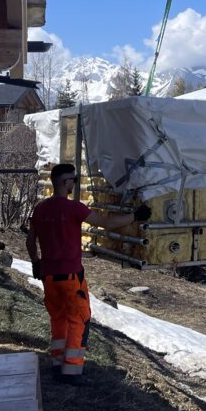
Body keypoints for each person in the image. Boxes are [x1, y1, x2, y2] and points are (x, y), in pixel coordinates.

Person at [26, 163, 151, 386]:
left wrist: (36, 262)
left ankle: (57, 363)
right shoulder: (74, 208)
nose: (74, 183)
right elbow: (107, 223)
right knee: (78, 320)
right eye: (73, 180)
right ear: (65, 183)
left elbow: (30, 241)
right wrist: (135, 216)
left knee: (58, 318)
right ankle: (71, 370)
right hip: (70, 277)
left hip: (49, 277)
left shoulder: (41, 209)